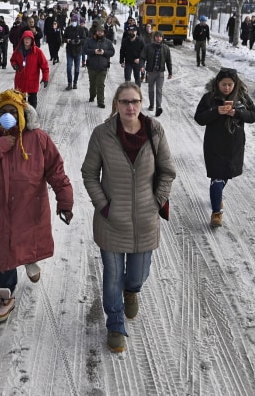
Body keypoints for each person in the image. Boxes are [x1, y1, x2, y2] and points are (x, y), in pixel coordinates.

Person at [0, 90, 73, 322]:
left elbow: (56, 170)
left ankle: (29, 260)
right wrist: (0, 145)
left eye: (13, 111)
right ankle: (6, 295)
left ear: (23, 113)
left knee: (25, 240)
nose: (8, 116)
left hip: (30, 208)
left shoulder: (38, 138)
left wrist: (65, 200)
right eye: (3, 112)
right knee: (2, 251)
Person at [81, 82, 176, 353]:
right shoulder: (102, 134)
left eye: (134, 101)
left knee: (137, 274)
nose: (130, 107)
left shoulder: (155, 131)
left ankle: (132, 291)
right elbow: (89, 173)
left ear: (141, 101)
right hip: (111, 221)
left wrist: (156, 201)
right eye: (124, 102)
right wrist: (104, 206)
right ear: (116, 104)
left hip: (146, 220)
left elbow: (168, 171)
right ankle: (115, 324)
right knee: (112, 276)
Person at [193, 68, 255, 227]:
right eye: (224, 84)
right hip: (214, 145)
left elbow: (254, 115)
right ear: (218, 83)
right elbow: (199, 118)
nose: (227, 88)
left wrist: (237, 113)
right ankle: (216, 213)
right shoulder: (209, 98)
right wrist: (216, 111)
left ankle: (217, 196)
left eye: (230, 85)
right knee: (217, 176)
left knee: (226, 175)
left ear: (235, 84)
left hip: (234, 145)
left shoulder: (242, 98)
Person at [10, 30, 49, 109]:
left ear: (32, 40)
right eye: (25, 38)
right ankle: (22, 118)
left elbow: (45, 66)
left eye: (29, 39)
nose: (27, 40)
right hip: (20, 81)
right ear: (23, 39)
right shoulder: (18, 50)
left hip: (32, 81)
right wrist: (14, 65)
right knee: (20, 103)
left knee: (32, 103)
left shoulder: (37, 52)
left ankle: (32, 118)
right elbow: (13, 60)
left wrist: (45, 78)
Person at [140, 31, 173, 117]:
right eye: (157, 37)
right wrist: (142, 66)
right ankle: (151, 105)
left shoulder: (165, 48)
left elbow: (168, 61)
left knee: (159, 90)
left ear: (162, 38)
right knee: (151, 89)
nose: (159, 38)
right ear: (154, 37)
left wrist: (170, 72)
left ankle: (158, 108)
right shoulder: (148, 47)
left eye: (160, 37)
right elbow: (142, 57)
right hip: (151, 72)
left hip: (160, 73)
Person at [84, 25, 116, 108]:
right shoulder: (89, 41)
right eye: (98, 31)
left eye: (101, 31)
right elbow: (85, 50)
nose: (100, 33)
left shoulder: (108, 42)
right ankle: (92, 95)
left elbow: (112, 52)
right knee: (93, 83)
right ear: (96, 32)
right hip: (91, 66)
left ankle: (100, 101)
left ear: (104, 32)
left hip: (103, 66)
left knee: (101, 84)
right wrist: (94, 51)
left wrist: (104, 52)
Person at [63, 13, 87, 90]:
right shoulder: (68, 29)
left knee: (77, 69)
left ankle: (75, 82)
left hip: (78, 51)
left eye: (75, 20)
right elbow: (63, 38)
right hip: (69, 51)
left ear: (77, 21)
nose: (74, 22)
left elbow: (84, 39)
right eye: (73, 20)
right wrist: (68, 40)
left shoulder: (81, 29)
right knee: (68, 68)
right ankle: (69, 83)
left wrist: (79, 41)